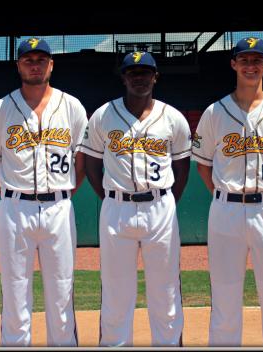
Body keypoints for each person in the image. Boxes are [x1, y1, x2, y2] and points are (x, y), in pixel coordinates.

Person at [191, 37, 263, 346]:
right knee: (225, 296)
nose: (251, 65)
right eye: (245, 60)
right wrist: (224, 195)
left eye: (257, 60)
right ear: (234, 64)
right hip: (226, 209)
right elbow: (203, 165)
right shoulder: (215, 112)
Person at [0, 37, 87, 346]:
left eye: (41, 59)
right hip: (15, 206)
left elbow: (81, 160)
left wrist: (64, 194)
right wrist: (12, 194)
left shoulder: (72, 106)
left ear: (51, 64)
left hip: (59, 207)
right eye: (28, 59)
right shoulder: (1, 108)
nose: (35, 64)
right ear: (18, 66)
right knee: (14, 291)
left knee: (62, 290)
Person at [79, 51, 191, 346]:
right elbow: (91, 164)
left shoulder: (173, 117)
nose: (139, 78)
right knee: (116, 291)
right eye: (133, 73)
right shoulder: (104, 115)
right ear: (124, 77)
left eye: (145, 73)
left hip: (160, 206)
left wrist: (165, 201)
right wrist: (110, 198)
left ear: (155, 76)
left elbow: (182, 167)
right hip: (117, 208)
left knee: (165, 290)